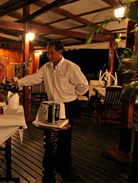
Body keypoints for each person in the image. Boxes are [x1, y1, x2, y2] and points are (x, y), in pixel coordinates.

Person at [13, 40, 89, 173]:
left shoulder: (71, 67)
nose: (49, 56)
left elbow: (84, 86)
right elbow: (35, 78)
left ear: (60, 52)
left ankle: (65, 165)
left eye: (51, 53)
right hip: (52, 104)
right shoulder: (47, 67)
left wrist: (73, 94)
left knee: (65, 137)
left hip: (67, 104)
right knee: (51, 135)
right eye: (47, 53)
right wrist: (19, 82)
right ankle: (51, 165)